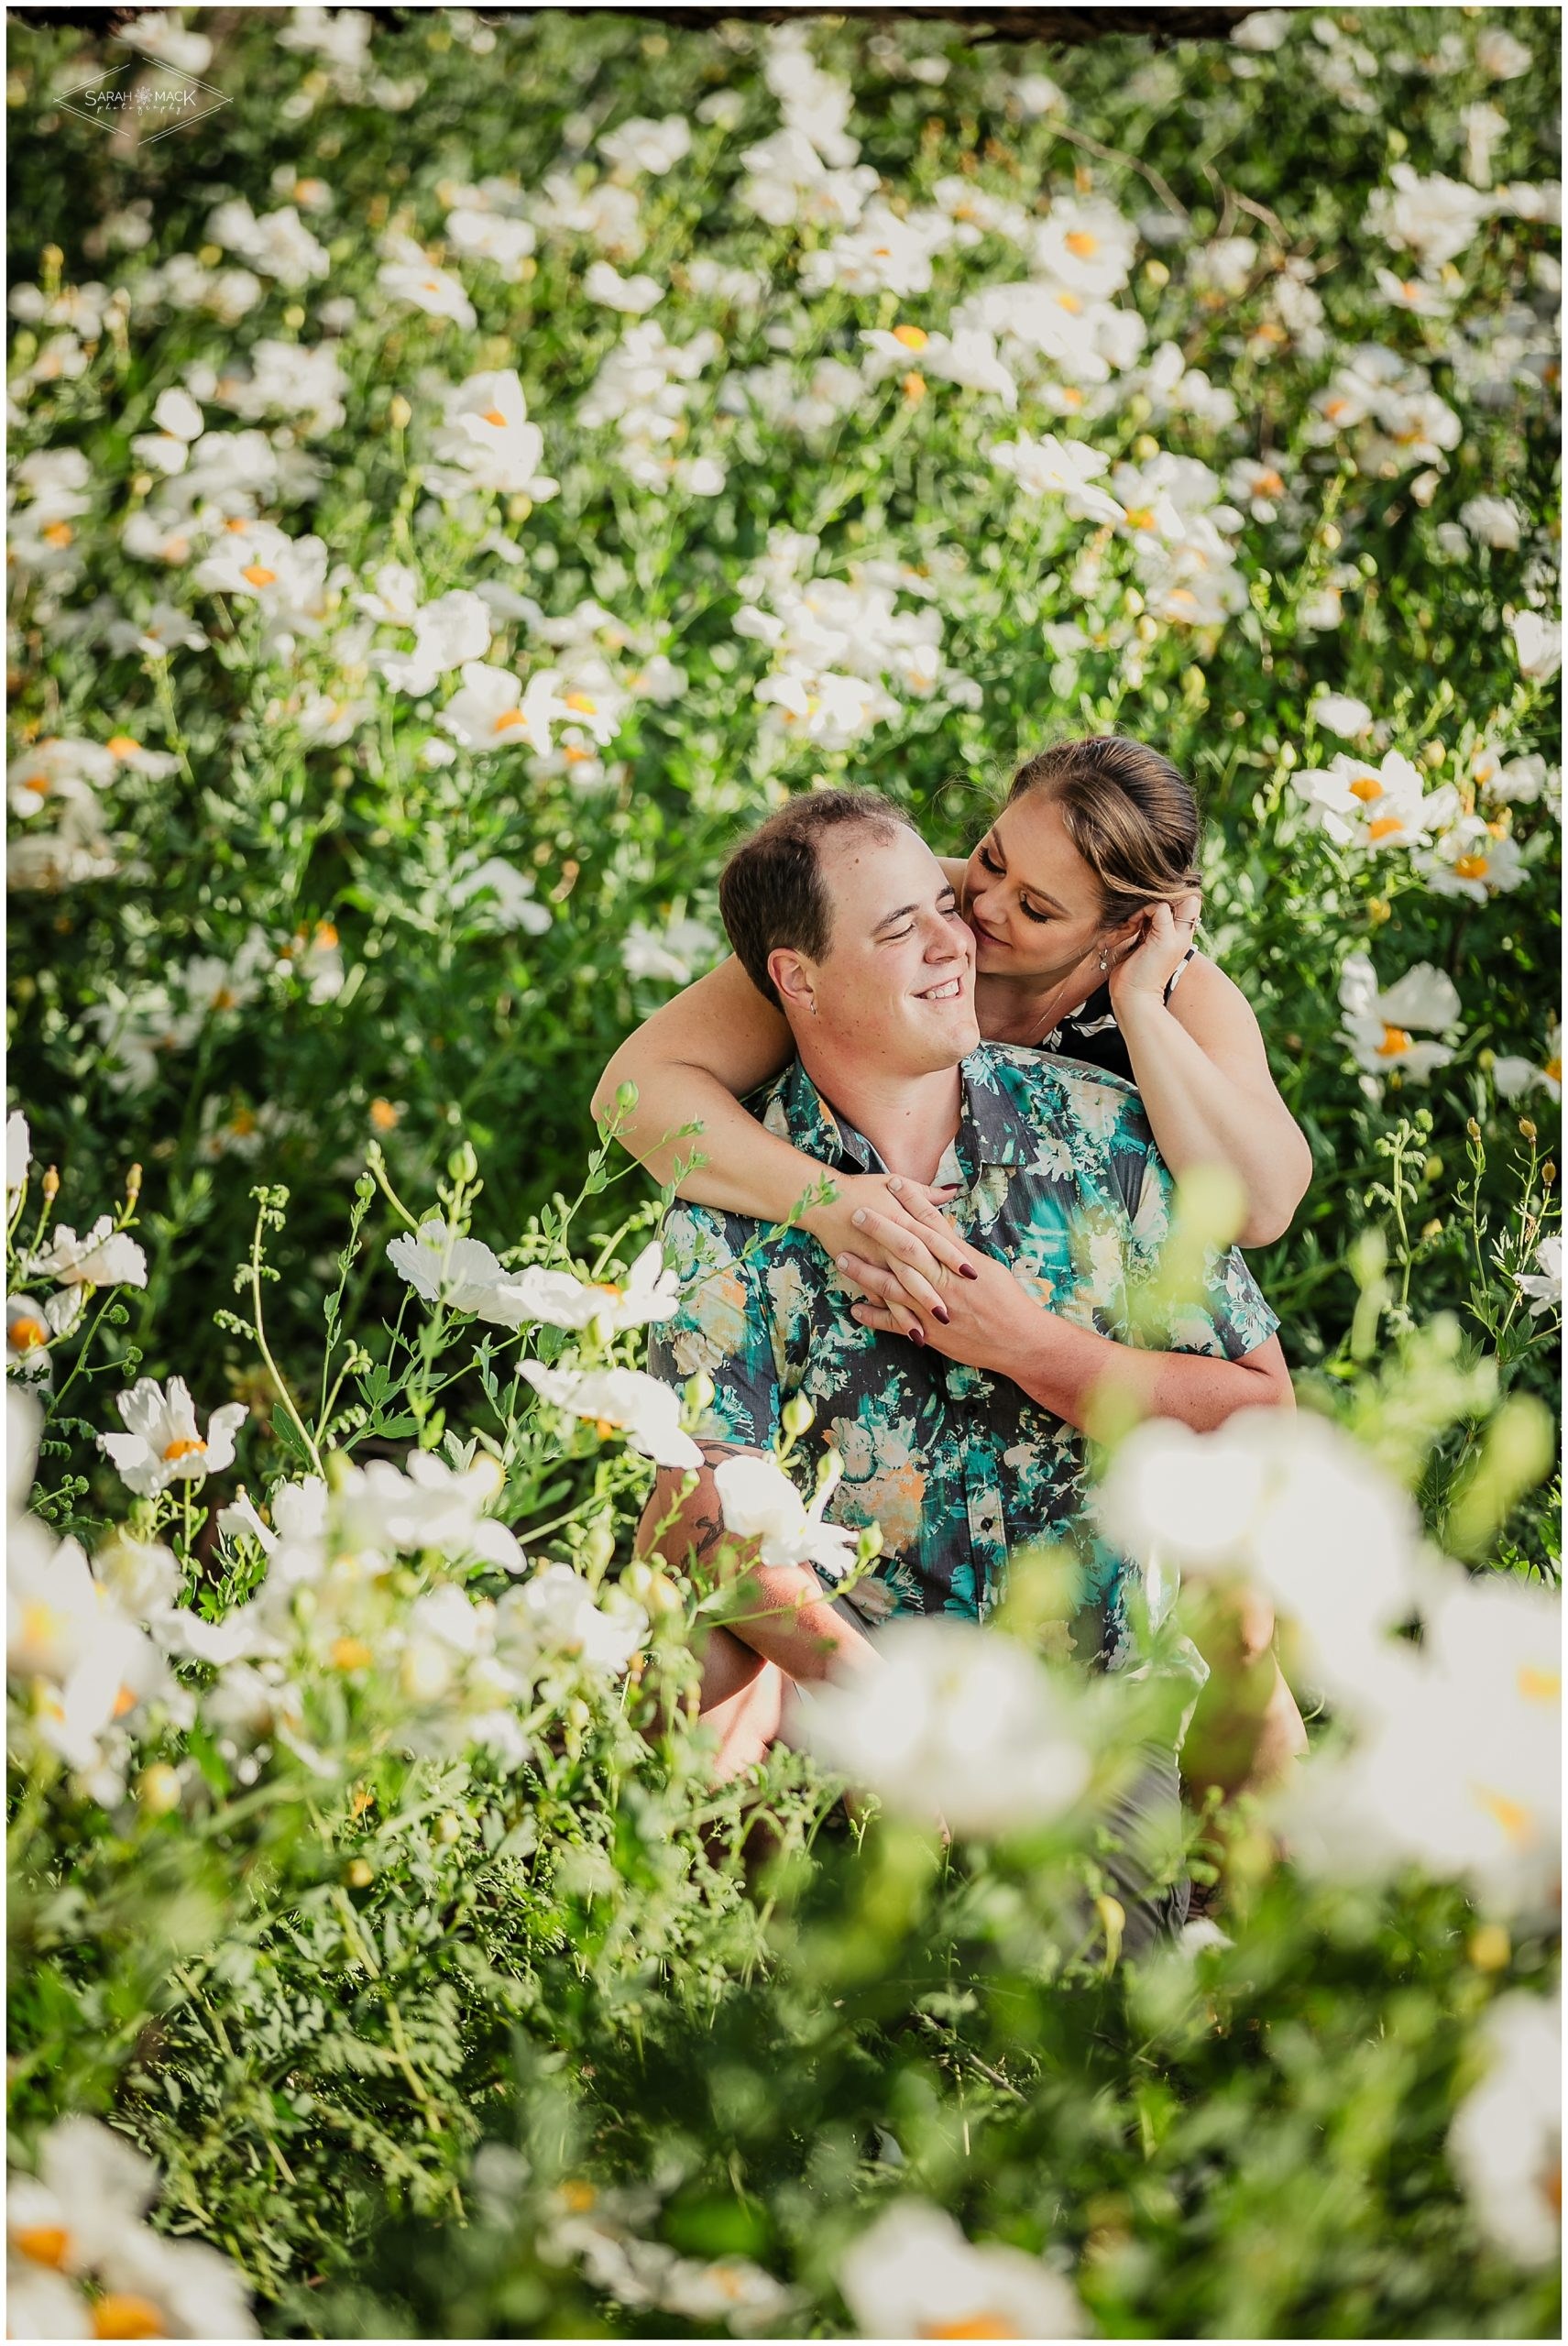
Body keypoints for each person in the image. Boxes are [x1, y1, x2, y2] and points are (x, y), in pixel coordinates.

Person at [635, 790, 1299, 1947]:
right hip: (851, 1692)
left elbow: (1262, 1379)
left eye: (989, 907)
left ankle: (1246, 1924)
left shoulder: (1116, 1118)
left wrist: (1036, 1346)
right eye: (932, 908)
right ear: (796, 980)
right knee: (694, 1640)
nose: (967, 931)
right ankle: (722, 1983)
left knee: (1084, 2045)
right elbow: (692, 1512)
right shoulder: (733, 1194)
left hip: (1083, 1698)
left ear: (1110, 935)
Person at [595, 736, 1313, 1343]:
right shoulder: (894, 916)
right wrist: (828, 1201)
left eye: (1035, 909)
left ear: (1121, 928)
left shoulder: (1177, 991)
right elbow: (636, 1095)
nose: (980, 909)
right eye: (993, 858)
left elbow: (1258, 1208)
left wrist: (1137, 1005)